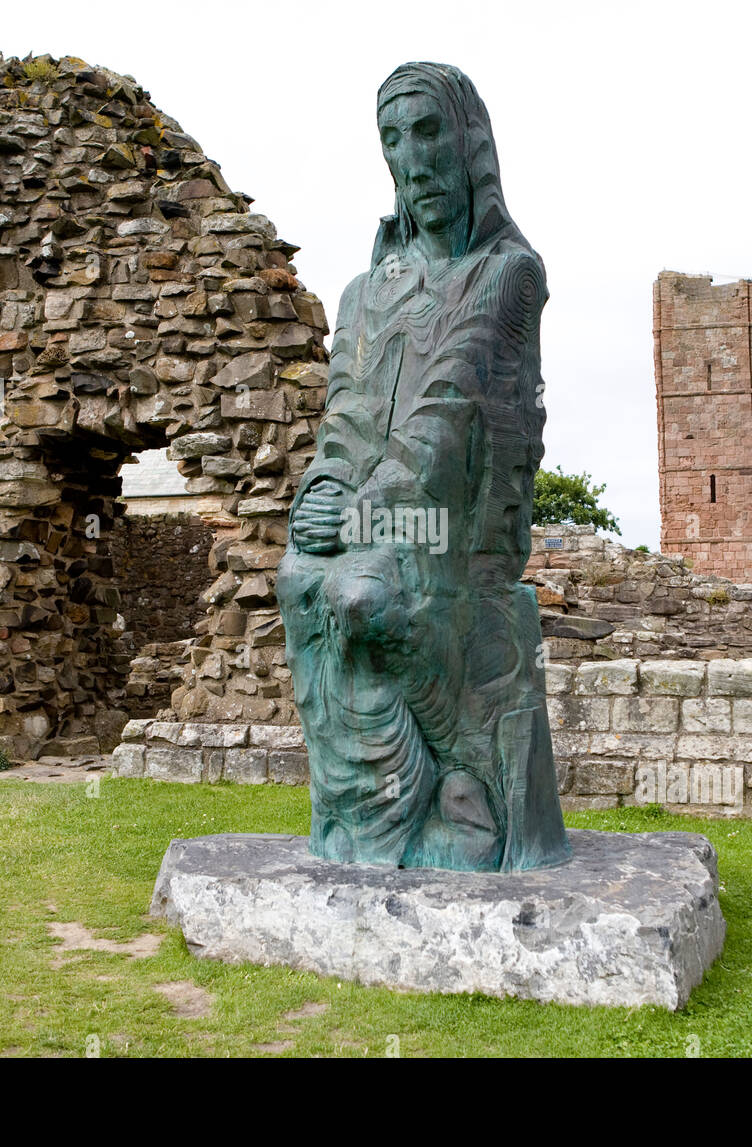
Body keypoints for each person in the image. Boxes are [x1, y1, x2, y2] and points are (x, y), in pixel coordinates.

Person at [276, 63, 570, 872]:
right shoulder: (363, 296)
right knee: (299, 579)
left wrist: (367, 508)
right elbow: (346, 417)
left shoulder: (507, 275)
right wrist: (326, 490)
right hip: (377, 508)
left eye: (428, 131)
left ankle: (462, 792)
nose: (412, 156)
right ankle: (366, 811)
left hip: (455, 525)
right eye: (393, 138)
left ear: (467, 141)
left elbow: (445, 415)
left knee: (361, 592)